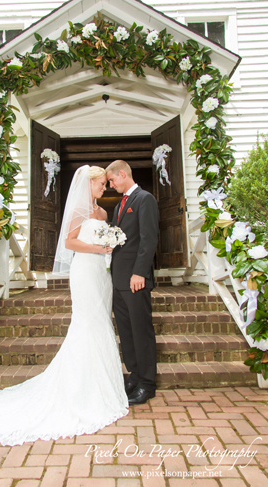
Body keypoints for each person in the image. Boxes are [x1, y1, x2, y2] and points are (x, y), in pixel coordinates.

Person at [0, 165, 129, 446]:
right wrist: (100, 248)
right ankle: (79, 388)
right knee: (86, 322)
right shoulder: (78, 212)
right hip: (85, 272)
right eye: (100, 184)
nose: (104, 188)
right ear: (89, 184)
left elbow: (101, 237)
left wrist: (109, 245)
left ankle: (102, 384)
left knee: (102, 321)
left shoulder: (102, 214)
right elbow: (71, 242)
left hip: (101, 274)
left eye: (104, 185)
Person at [105, 160, 159, 406]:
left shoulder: (144, 199)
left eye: (112, 180)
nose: (110, 185)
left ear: (122, 174)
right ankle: (135, 375)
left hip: (135, 280)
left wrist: (140, 272)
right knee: (126, 333)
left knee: (141, 331)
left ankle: (147, 383)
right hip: (118, 280)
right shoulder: (119, 206)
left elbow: (149, 239)